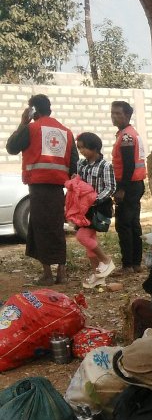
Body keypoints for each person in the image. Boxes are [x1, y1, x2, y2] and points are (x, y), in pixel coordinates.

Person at [5, 94, 78, 285]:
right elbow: (74, 162)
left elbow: (11, 147)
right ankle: (61, 272)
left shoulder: (31, 128)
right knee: (56, 227)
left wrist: (23, 122)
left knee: (40, 227)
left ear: (33, 110)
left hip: (38, 186)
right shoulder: (66, 132)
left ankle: (47, 274)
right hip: (58, 187)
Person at [71, 132, 116, 288]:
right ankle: (98, 276)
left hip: (98, 207)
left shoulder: (105, 165)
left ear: (95, 148)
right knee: (90, 242)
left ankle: (106, 260)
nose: (82, 151)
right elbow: (79, 183)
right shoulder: (81, 165)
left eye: (84, 148)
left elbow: (111, 187)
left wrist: (95, 200)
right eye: (80, 148)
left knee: (82, 237)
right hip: (84, 208)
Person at [111, 100, 147, 274]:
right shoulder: (130, 133)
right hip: (135, 184)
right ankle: (136, 263)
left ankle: (128, 265)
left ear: (127, 115)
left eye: (118, 113)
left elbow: (128, 165)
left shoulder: (126, 136)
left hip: (128, 185)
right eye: (113, 113)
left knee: (124, 225)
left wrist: (121, 189)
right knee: (133, 223)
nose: (114, 116)